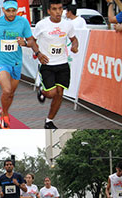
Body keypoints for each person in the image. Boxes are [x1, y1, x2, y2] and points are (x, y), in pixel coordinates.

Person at [0, 0, 35, 128]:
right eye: (8, 10)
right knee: (6, 90)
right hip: (1, 61)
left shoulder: (23, 22)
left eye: (13, 10)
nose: (11, 13)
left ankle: (4, 111)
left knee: (11, 93)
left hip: (16, 62)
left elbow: (31, 40)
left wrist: (26, 43)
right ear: (3, 10)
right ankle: (5, 116)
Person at [33, 0, 79, 129]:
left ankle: (49, 121)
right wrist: (38, 53)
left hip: (63, 63)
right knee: (51, 93)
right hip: (47, 64)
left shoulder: (67, 25)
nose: (58, 12)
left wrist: (75, 46)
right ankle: (42, 91)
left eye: (60, 9)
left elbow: (74, 39)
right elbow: (32, 41)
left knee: (59, 94)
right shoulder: (42, 25)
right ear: (49, 11)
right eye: (54, 9)